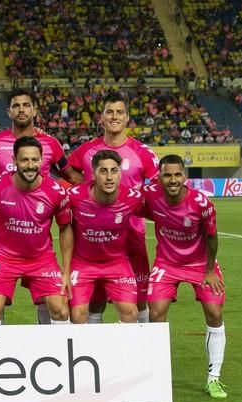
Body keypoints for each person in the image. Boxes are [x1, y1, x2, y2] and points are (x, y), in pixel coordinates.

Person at [0, 87, 83, 324]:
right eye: (16, 105)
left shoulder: (51, 144)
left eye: (26, 105)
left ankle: (53, 350)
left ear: (35, 110)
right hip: (2, 231)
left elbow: (70, 175)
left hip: (39, 233)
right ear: (9, 111)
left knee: (55, 305)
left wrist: (98, 191)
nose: (22, 110)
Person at [68, 91, 158, 323]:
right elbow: (66, 171)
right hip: (94, 239)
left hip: (132, 238)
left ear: (127, 117)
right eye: (110, 112)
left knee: (139, 299)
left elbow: (158, 190)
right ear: (102, 117)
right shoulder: (86, 151)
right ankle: (96, 353)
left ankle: (140, 349)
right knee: (95, 300)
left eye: (120, 112)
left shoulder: (143, 153)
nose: (114, 116)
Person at [142, 155, 228, 399]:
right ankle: (155, 375)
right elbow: (129, 202)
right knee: (156, 312)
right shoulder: (149, 194)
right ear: (159, 176)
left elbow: (212, 236)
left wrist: (210, 270)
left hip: (200, 264)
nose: (172, 180)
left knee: (215, 313)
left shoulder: (201, 203)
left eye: (177, 175)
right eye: (167, 175)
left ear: (185, 177)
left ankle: (214, 379)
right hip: (166, 263)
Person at [0, 136, 72, 325]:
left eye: (35, 160)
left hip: (41, 259)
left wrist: (67, 272)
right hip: (3, 257)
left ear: (42, 160)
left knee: (60, 310)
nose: (30, 165)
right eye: (24, 159)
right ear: (14, 161)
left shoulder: (56, 192)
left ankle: (59, 353)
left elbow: (65, 228)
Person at [67, 150, 144, 324]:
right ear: (93, 173)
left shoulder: (133, 198)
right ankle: (85, 351)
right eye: (103, 171)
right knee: (78, 315)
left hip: (117, 263)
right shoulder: (75, 196)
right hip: (83, 263)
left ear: (120, 173)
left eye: (114, 171)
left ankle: (120, 351)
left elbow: (162, 212)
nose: (109, 177)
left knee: (131, 313)